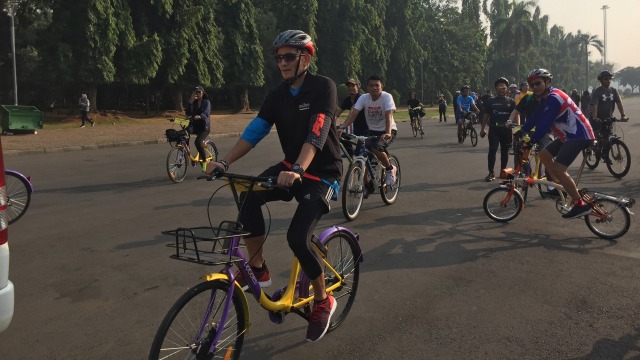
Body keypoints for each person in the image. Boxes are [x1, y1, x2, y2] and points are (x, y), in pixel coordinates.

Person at [205, 30, 341, 342]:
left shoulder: (323, 87)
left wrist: (297, 168)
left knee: (297, 237)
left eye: (289, 56)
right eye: (278, 57)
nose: (282, 62)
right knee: (248, 194)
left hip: (321, 173)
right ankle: (258, 267)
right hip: (290, 167)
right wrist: (224, 162)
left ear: (305, 58)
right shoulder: (277, 94)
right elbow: (256, 129)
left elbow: (318, 132)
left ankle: (323, 300)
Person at [519, 68, 595, 219]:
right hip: (567, 137)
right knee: (544, 155)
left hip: (579, 136)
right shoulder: (545, 99)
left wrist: (532, 140)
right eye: (532, 85)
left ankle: (579, 204)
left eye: (538, 83)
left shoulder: (554, 97)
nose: (535, 87)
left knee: (559, 168)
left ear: (547, 82)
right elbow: (535, 117)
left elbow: (544, 123)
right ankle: (560, 187)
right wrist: (522, 130)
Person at [337, 75, 397, 187]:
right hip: (372, 131)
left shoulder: (386, 97)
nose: (374, 88)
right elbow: (353, 114)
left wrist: (388, 132)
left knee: (375, 147)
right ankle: (367, 183)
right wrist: (342, 126)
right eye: (371, 85)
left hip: (388, 130)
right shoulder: (364, 98)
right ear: (367, 87)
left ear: (381, 87)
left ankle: (390, 169)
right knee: (363, 156)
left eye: (377, 85)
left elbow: (388, 115)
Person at [480, 77, 516, 181]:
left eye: (504, 88)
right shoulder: (490, 101)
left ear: (507, 89)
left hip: (506, 131)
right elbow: (486, 115)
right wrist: (482, 129)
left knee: (505, 152)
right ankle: (491, 173)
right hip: (494, 130)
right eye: (499, 88)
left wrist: (517, 128)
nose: (502, 90)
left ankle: (503, 172)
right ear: (496, 89)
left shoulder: (511, 101)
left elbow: (515, 114)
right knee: (492, 150)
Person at [185, 85, 211, 171]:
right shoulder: (194, 102)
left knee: (197, 142)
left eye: (199, 92)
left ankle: (204, 161)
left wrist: (200, 116)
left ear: (202, 93)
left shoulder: (206, 102)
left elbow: (206, 113)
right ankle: (187, 149)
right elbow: (188, 113)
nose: (198, 94)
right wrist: (190, 102)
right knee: (185, 132)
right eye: (196, 92)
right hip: (195, 126)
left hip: (204, 127)